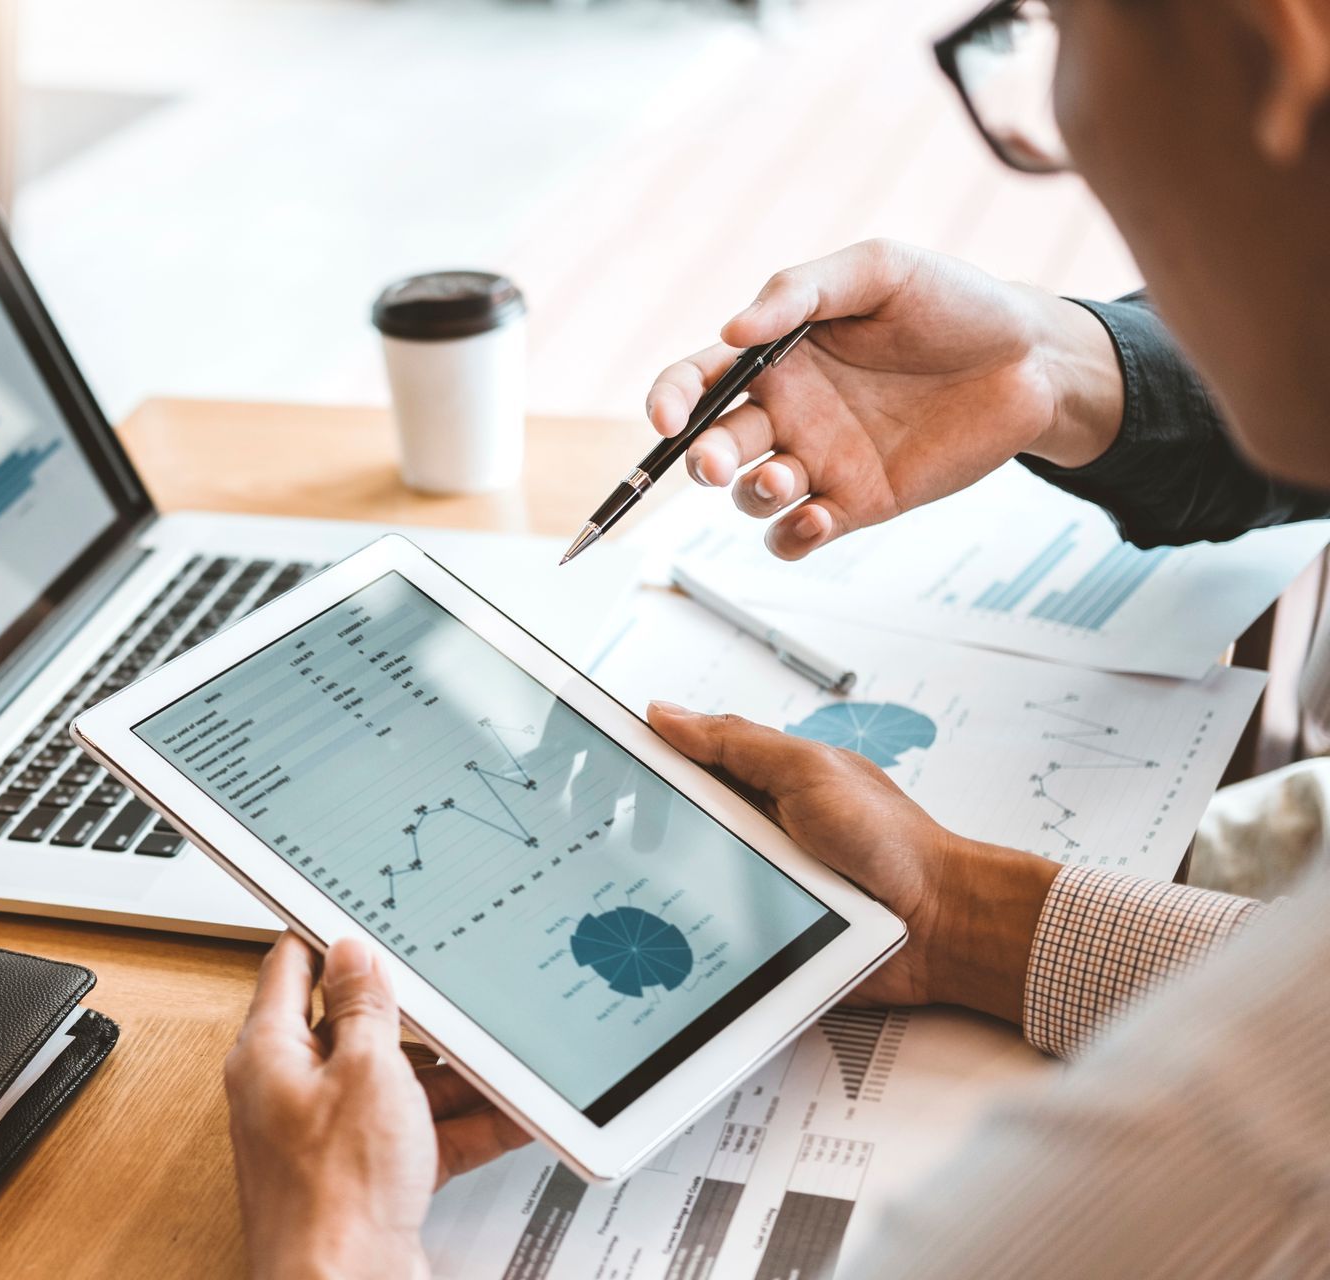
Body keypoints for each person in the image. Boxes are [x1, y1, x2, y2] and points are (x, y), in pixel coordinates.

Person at [223, 0, 1330, 1275]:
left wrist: (332, 1243)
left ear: (1277, 52)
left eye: (1051, 18)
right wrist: (958, 914)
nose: (1058, 115)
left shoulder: (1266, 1135)